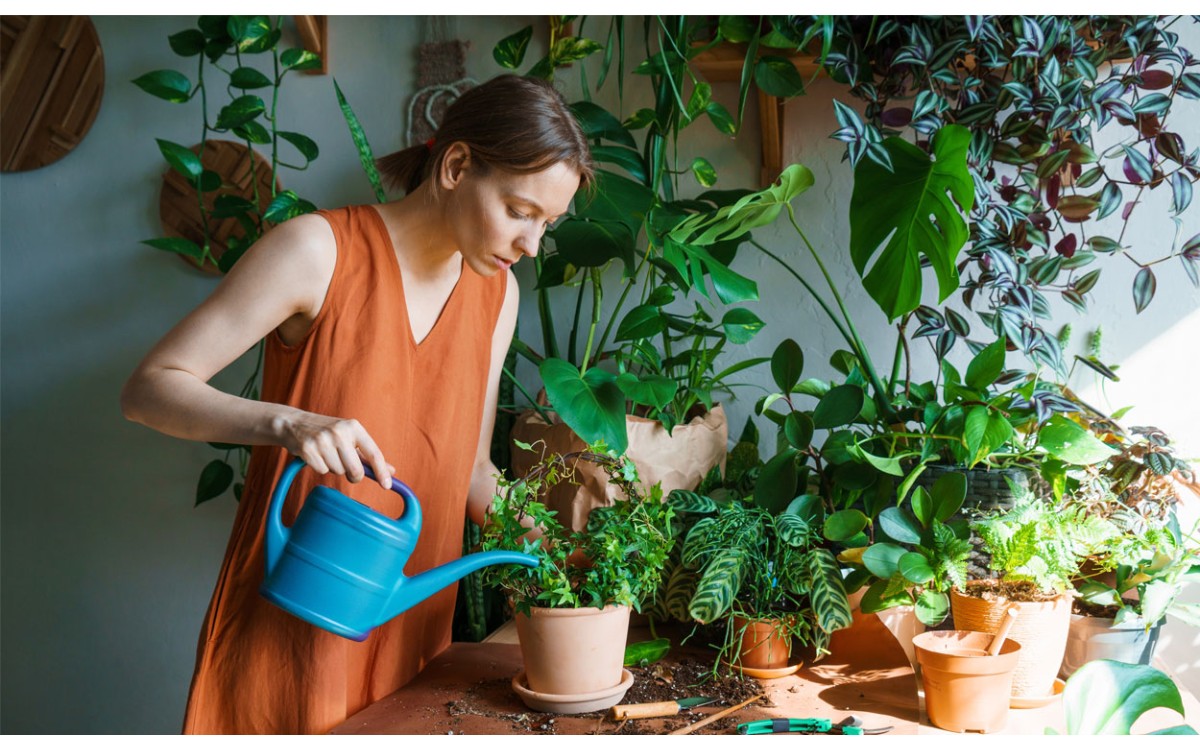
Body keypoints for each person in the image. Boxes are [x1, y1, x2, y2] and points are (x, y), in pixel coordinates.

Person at [121, 74, 594, 734]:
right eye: (520, 211)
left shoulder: (497, 296)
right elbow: (149, 388)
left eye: (548, 223)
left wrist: (574, 557)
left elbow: (473, 472)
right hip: (297, 625)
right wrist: (287, 422)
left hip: (413, 631)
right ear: (456, 166)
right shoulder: (315, 251)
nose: (531, 244)